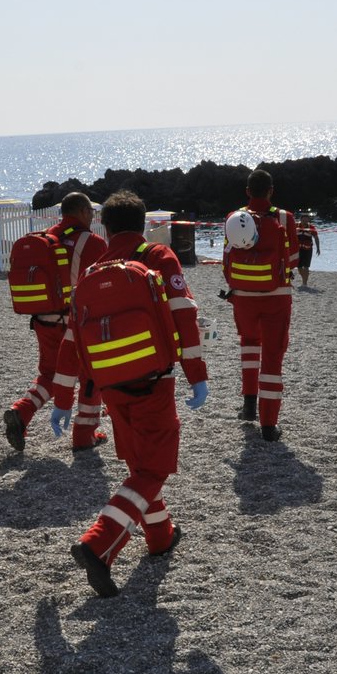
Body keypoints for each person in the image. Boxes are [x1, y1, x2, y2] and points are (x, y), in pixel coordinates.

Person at [49, 190, 208, 598]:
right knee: (153, 470)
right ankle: (98, 544)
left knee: (140, 462)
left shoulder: (91, 273)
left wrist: (63, 399)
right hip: (155, 380)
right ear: (143, 225)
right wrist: (197, 374)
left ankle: (160, 536)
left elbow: (72, 341)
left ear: (104, 226)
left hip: (110, 387)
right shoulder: (158, 256)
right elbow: (185, 314)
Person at [4, 192, 107, 453]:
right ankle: (85, 434)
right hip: (74, 323)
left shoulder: (46, 237)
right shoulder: (93, 243)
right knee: (89, 375)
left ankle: (22, 412)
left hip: (42, 319)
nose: (93, 216)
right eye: (91, 212)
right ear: (83, 212)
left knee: (50, 374)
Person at [225, 169, 299, 442]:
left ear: (247, 191)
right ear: (271, 191)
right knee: (272, 357)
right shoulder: (284, 218)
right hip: (276, 297)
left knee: (248, 344)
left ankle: (248, 406)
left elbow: (226, 260)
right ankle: (268, 425)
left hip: (243, 297)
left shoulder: (233, 218)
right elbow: (291, 258)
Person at [295, 214, 322, 288]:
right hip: (298, 249)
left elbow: (316, 238)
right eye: (303, 220)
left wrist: (318, 248)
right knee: (299, 266)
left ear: (308, 220)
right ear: (301, 219)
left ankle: (304, 283)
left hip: (308, 249)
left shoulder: (311, 227)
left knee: (306, 266)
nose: (305, 221)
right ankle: (304, 278)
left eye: (306, 220)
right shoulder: (295, 226)